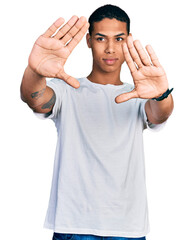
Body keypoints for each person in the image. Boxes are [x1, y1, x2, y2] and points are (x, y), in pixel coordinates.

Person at [20, 4, 174, 240]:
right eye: (101, 38)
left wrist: (160, 94)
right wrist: (35, 71)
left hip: (127, 228)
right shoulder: (67, 90)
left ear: (129, 40)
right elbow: (35, 98)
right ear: (89, 40)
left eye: (119, 39)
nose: (110, 48)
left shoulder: (138, 95)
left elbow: (159, 114)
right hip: (74, 226)